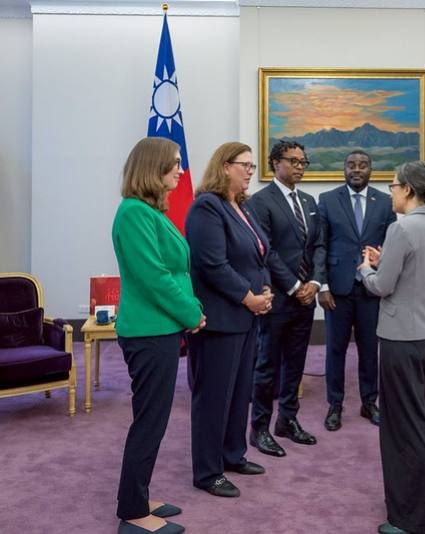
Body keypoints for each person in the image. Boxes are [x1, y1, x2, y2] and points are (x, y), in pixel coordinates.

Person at [112, 137, 205, 534]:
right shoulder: (133, 213)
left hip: (161, 330)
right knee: (149, 422)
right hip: (149, 333)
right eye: (175, 163)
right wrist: (192, 313)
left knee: (153, 419)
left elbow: (173, 273)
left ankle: (138, 495)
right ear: (153, 168)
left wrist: (189, 311)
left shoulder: (149, 212)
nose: (181, 170)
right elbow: (154, 278)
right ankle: (132, 514)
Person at [358, 161, 425, 534]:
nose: (391, 192)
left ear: (409, 190)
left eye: (395, 186)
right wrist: (386, 266)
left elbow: (381, 287)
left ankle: (412, 519)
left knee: (403, 427)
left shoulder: (401, 228)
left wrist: (366, 268)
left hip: (401, 337)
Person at [185, 142, 272, 498]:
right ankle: (208, 472)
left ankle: (233, 455)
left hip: (246, 317)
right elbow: (212, 264)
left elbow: (258, 255)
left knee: (239, 393)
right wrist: (248, 296)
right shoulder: (208, 206)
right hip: (220, 319)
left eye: (253, 166)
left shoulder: (242, 207)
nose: (250, 171)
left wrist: (264, 289)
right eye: (244, 165)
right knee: (214, 396)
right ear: (224, 166)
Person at [248, 139, 325, 456]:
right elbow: (267, 251)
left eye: (303, 162)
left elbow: (319, 246)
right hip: (278, 297)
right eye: (293, 161)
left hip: (307, 299)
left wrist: (316, 282)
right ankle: (260, 428)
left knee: (296, 362)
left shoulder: (309, 200)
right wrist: (295, 286)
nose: (299, 166)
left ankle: (288, 421)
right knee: (268, 365)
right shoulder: (260, 201)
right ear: (274, 163)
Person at [317, 150, 396, 431]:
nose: (357, 170)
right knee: (335, 350)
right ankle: (334, 404)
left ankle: (369, 402)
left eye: (363, 165)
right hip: (336, 289)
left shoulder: (386, 202)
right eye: (351, 165)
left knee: (369, 349)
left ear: (371, 169)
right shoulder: (327, 200)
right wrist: (322, 285)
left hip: (371, 288)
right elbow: (320, 247)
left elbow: (392, 246)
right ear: (344, 169)